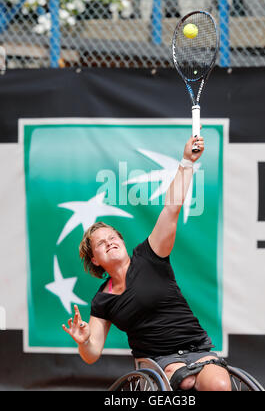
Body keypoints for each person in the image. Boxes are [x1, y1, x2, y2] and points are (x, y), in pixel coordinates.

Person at [62, 135, 231, 391]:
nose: (108, 242)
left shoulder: (150, 256)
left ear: (122, 240)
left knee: (218, 383)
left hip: (198, 349)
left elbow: (171, 209)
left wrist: (187, 162)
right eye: (100, 243)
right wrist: (84, 341)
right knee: (183, 381)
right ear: (95, 260)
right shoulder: (102, 301)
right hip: (159, 362)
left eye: (112, 237)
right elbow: (92, 353)